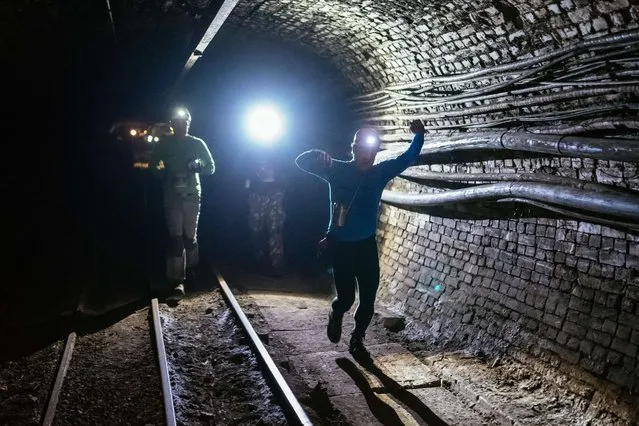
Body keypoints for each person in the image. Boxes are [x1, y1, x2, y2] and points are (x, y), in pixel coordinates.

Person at [295, 120, 425, 360]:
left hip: (366, 247)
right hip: (342, 247)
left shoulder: (380, 172)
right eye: (362, 149)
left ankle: (357, 340)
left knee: (368, 298)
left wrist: (418, 135)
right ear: (353, 149)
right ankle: (336, 313)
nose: (368, 154)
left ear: (376, 151)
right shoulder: (336, 169)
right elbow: (300, 162)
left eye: (372, 150)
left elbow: (408, 158)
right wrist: (317, 156)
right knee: (346, 298)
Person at [149, 107, 215, 299]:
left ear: (188, 123)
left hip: (192, 194)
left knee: (190, 236)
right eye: (177, 123)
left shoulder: (197, 143)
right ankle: (177, 281)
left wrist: (197, 166)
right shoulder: (164, 144)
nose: (181, 126)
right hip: (172, 196)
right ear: (172, 125)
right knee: (175, 237)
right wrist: (164, 175)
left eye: (184, 123)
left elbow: (211, 168)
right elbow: (153, 165)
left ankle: (192, 270)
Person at [245, 152, 287, 276]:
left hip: (276, 193)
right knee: (256, 230)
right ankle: (259, 263)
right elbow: (244, 176)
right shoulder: (249, 150)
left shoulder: (280, 150)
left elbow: (287, 172)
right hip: (256, 194)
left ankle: (277, 265)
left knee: (276, 230)